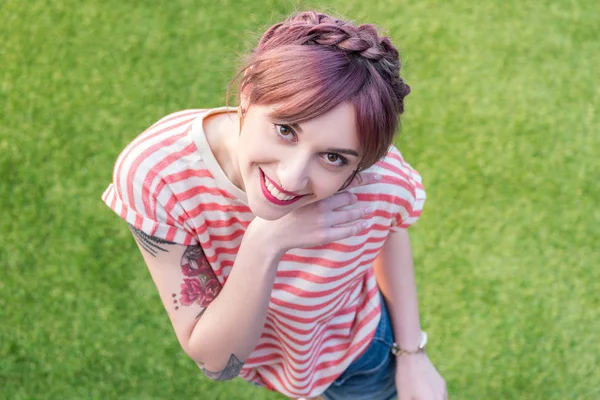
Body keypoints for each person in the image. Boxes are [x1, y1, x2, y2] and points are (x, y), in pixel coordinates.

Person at [102, 10, 447, 400]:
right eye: (285, 130)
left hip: (359, 355)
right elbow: (216, 361)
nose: (290, 179)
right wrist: (265, 243)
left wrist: (412, 355)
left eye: (333, 157)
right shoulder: (158, 174)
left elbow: (390, 228)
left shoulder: (377, 178)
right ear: (248, 93)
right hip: (272, 362)